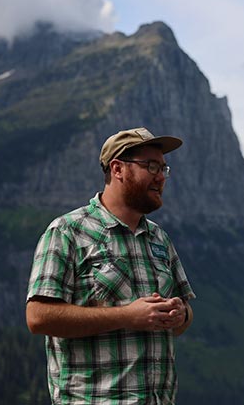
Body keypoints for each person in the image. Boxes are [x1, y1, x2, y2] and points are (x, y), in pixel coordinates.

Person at [26, 127, 195, 405]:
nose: (161, 177)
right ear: (118, 169)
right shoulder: (67, 231)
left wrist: (180, 314)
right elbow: (38, 317)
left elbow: (185, 315)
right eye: (151, 166)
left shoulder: (159, 238)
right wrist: (127, 316)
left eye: (164, 168)